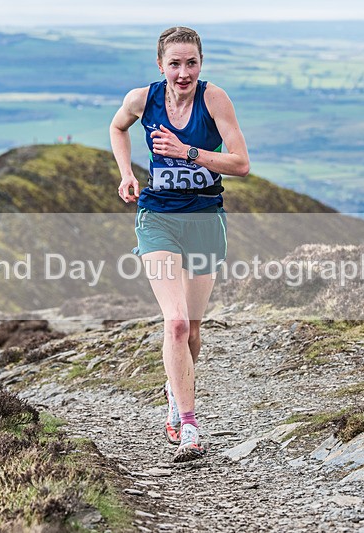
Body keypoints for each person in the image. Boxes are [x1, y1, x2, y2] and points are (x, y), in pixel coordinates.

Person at [109, 27, 249, 462]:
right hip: (158, 218)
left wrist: (187, 152)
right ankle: (187, 422)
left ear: (201, 63)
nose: (183, 72)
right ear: (160, 66)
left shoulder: (215, 100)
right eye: (175, 63)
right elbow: (117, 127)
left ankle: (175, 389)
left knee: (193, 328)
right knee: (176, 323)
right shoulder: (143, 98)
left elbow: (241, 163)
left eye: (191, 63)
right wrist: (127, 173)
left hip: (206, 219)